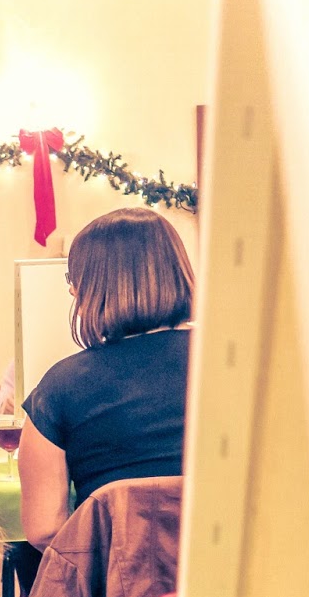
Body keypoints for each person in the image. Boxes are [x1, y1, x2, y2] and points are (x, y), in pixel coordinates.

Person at [18, 207, 194, 548]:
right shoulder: (233, 366)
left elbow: (44, 529)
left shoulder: (60, 387)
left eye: (73, 280)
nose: (72, 292)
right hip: (238, 573)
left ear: (90, 287)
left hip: (119, 580)